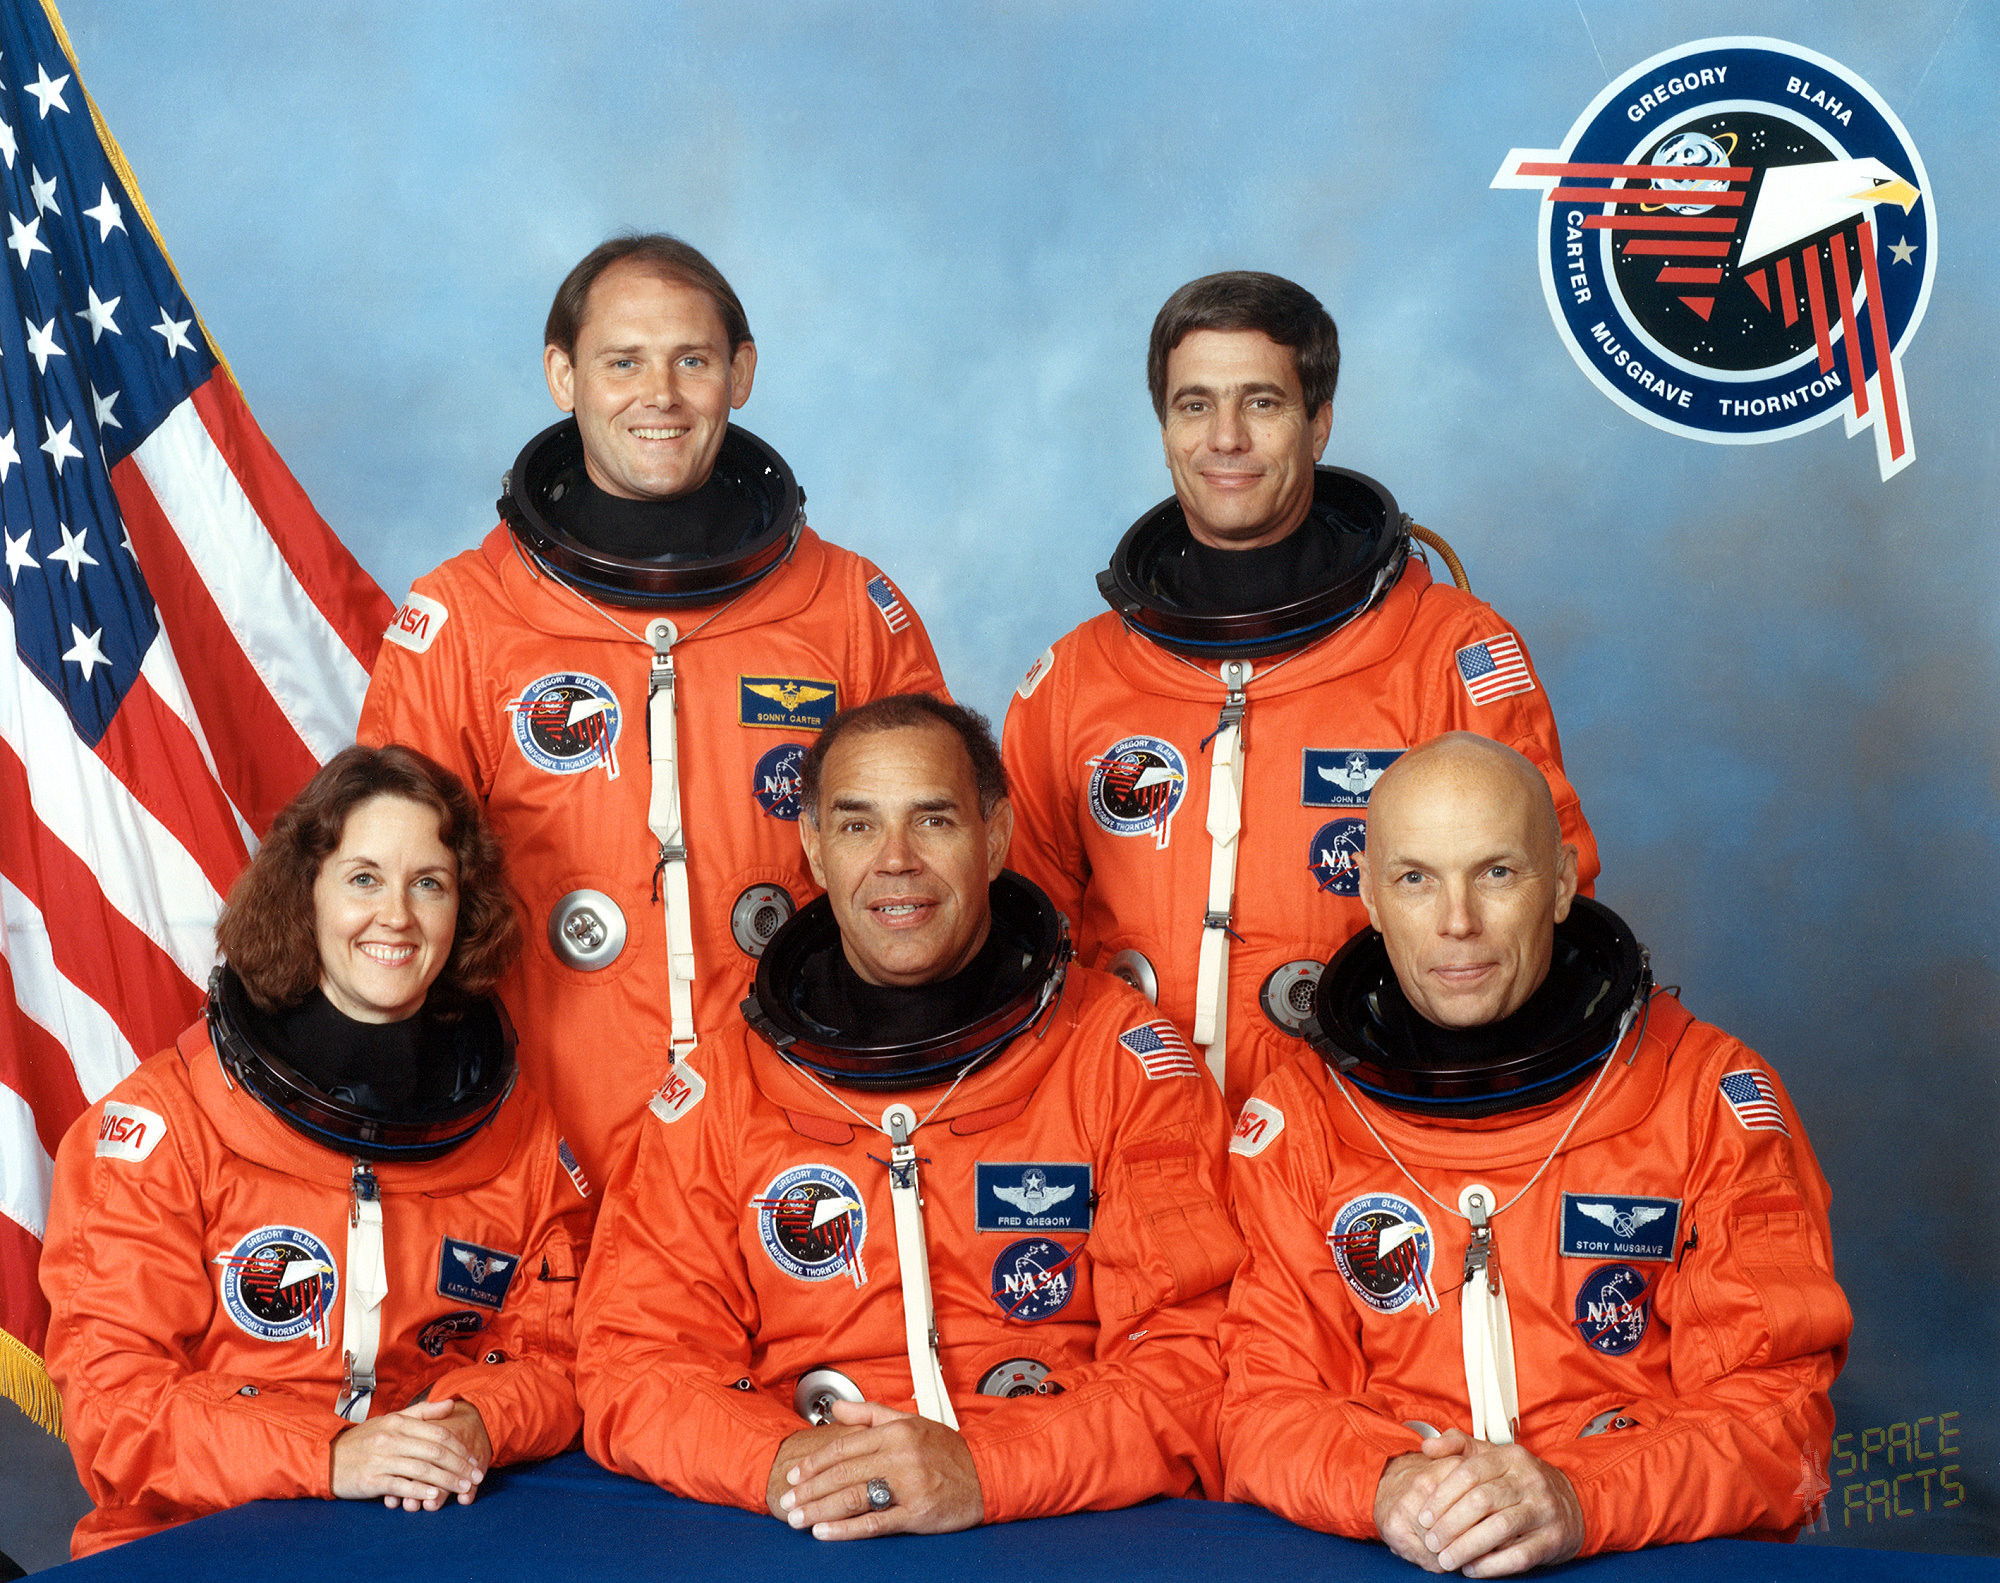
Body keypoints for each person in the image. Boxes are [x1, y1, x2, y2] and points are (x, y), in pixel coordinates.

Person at [575, 695, 1241, 1537]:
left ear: (994, 836)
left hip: (1053, 1522)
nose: (896, 860)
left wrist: (987, 1468)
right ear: (813, 847)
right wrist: (785, 1462)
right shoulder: (725, 1084)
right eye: (858, 826)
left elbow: (1191, 1358)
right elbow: (634, 1355)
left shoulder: (1120, 1058)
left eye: (933, 819)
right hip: (808, 1523)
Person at [360, 234, 946, 1188]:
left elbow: (940, 881)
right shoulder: (465, 618)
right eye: (624, 362)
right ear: (564, 376)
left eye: (693, 361)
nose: (660, 395)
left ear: (741, 374)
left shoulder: (848, 609)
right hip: (544, 1142)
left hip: (796, 1142)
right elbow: (388, 898)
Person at [1218, 734, 1847, 1574]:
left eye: (1496, 872)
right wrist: (1387, 1481)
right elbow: (1262, 1403)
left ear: (1559, 884)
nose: (1457, 921)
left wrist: (1580, 1496)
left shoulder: (1706, 1097)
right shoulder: (1300, 1117)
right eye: (1415, 878)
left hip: (1633, 1553)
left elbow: (1780, 1418)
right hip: (1401, 1555)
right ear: (1368, 894)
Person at [1003, 271, 1598, 1116]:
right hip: (1132, 1136)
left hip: (1362, 1139)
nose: (1227, 438)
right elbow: (1020, 944)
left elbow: (1541, 915)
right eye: (1196, 405)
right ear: (1165, 428)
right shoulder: (1073, 680)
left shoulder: (1446, 652)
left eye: (1263, 402)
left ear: (1318, 424)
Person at [40, 747, 590, 1557]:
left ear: (462, 909)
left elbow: (560, 1353)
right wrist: (330, 1453)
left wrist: (478, 1419)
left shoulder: (515, 1130)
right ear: (305, 893)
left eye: (428, 883)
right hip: (194, 1537)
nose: (397, 916)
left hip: (422, 1525)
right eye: (364, 878)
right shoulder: (164, 1127)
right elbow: (114, 1401)